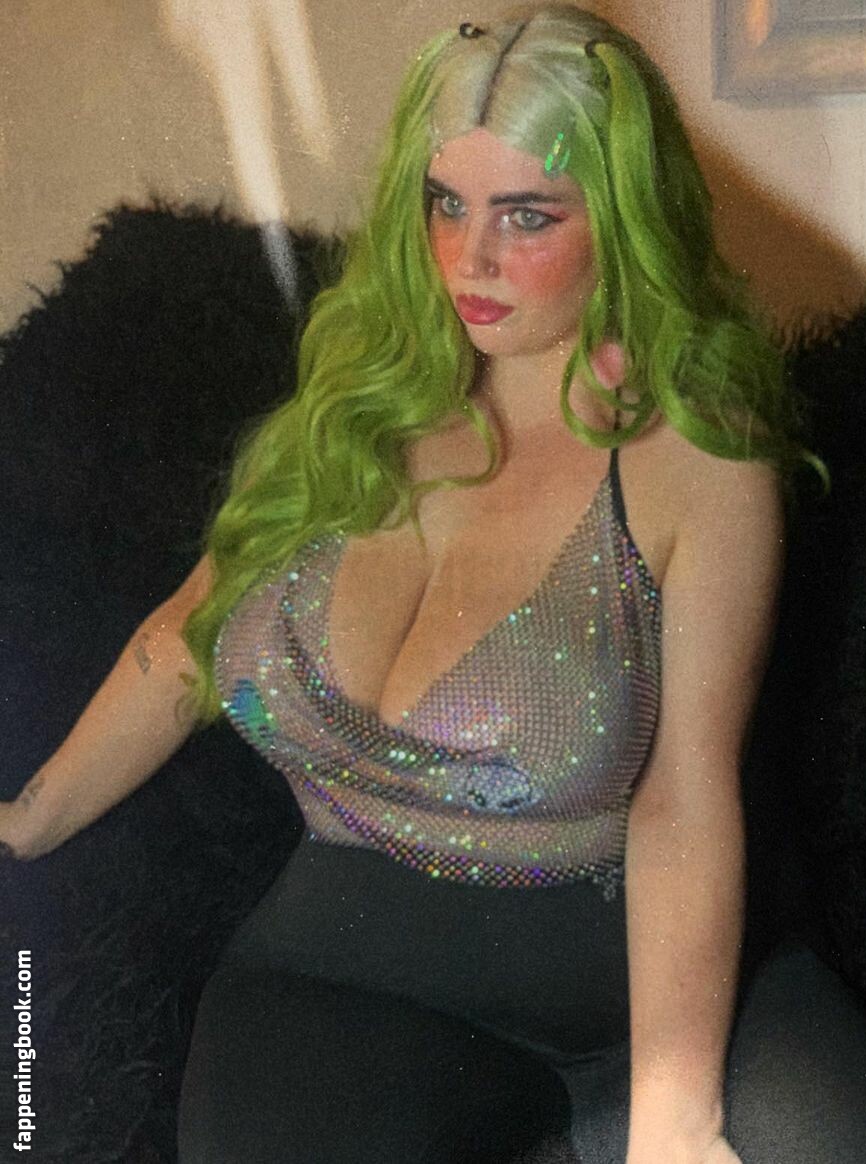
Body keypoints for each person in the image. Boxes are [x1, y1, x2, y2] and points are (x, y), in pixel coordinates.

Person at [0, 5, 814, 1161]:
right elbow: (184, 637)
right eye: (448, 205)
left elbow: (686, 797)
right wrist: (25, 821)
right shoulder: (353, 411)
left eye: (526, 216)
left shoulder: (699, 458)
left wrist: (675, 1121)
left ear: (623, 219)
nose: (471, 260)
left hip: (652, 991)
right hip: (336, 988)